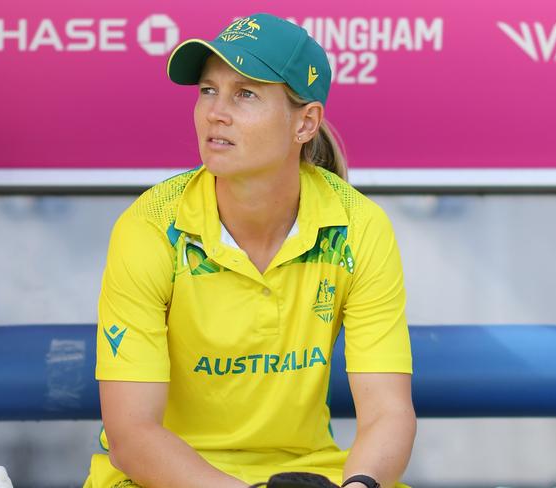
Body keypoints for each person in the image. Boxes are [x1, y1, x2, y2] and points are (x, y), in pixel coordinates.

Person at [84, 12, 416, 488]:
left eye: (245, 93)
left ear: (305, 123)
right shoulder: (151, 225)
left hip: (306, 475)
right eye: (208, 90)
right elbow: (132, 437)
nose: (216, 111)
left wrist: (359, 485)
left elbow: (389, 414)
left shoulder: (360, 226)